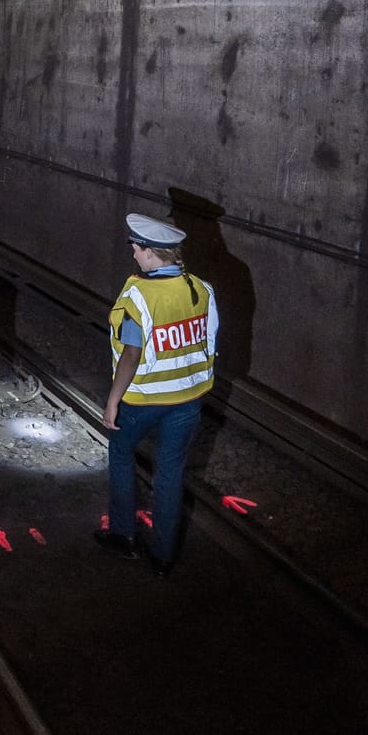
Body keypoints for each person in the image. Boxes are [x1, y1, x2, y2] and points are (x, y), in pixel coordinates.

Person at [94, 213, 219, 577]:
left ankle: (124, 537)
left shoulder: (140, 294)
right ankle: (163, 557)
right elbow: (208, 339)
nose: (133, 254)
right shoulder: (200, 288)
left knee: (120, 453)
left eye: (136, 248)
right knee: (170, 472)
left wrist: (114, 399)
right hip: (188, 398)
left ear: (151, 253)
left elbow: (131, 354)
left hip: (144, 400)